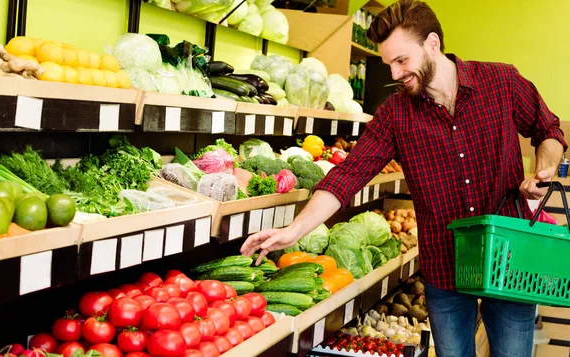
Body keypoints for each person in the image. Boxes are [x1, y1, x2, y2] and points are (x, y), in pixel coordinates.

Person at [241, 0, 567, 356]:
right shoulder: (396, 114)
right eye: (389, 64)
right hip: (446, 267)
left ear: (432, 44)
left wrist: (546, 168)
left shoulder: (500, 82)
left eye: (401, 60)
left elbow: (547, 129)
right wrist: (293, 230)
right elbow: (348, 175)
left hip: (509, 258)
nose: (395, 74)